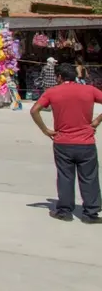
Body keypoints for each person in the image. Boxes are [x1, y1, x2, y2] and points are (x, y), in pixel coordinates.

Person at [30, 63, 102, 223]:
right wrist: (96, 121)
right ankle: (91, 213)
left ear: (60, 77)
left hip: (63, 142)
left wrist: (45, 130)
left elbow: (34, 110)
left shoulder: (52, 92)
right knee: (89, 177)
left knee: (65, 177)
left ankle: (64, 211)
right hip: (86, 142)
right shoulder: (89, 90)